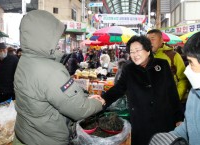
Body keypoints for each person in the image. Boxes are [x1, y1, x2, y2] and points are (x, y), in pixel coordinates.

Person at [13, 10, 104, 145]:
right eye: (55, 36)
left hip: (23, 136)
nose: (58, 41)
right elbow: (79, 109)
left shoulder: (25, 60)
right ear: (44, 37)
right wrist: (98, 103)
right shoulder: (52, 71)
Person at [91, 35, 183, 145]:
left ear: (148, 50)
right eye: (132, 52)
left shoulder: (162, 65)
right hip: (141, 122)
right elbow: (118, 88)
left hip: (164, 119)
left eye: (138, 50)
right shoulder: (129, 69)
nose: (135, 55)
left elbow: (172, 92)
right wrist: (103, 99)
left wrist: (178, 117)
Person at [169, 31, 200, 144]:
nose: (187, 70)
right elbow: (188, 126)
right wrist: (168, 138)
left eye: (191, 63)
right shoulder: (194, 93)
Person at [147, 29, 189, 101]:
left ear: (161, 40)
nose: (149, 42)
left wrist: (176, 97)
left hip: (171, 101)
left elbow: (183, 79)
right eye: (147, 39)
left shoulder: (173, 55)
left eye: (153, 39)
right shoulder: (145, 56)